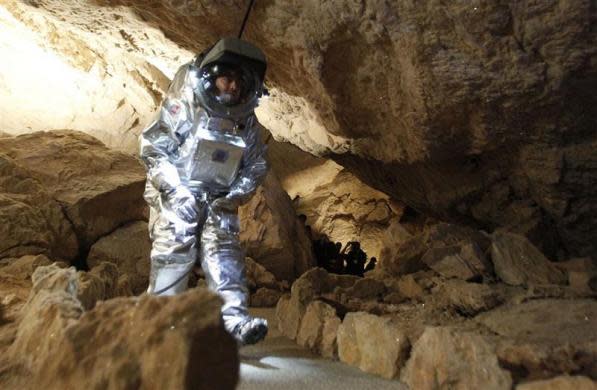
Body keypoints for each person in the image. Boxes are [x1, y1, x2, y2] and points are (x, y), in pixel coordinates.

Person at [139, 37, 269, 345]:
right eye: (227, 78)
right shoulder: (184, 104)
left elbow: (256, 165)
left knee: (224, 252)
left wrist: (234, 196)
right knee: (175, 243)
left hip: (219, 196)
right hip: (179, 189)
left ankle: (234, 321)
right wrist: (175, 189)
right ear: (212, 75)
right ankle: (159, 322)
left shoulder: (246, 121)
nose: (233, 87)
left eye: (239, 82)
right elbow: (154, 148)